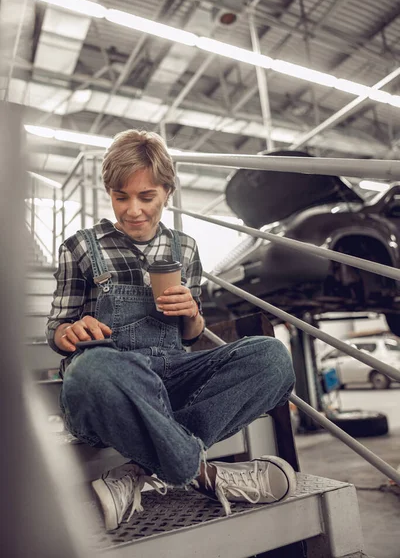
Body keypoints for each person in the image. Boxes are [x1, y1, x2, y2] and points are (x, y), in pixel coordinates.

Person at [46, 129, 296, 531]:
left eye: (146, 197)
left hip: (171, 377)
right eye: (120, 196)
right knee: (89, 371)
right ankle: (205, 474)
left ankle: (142, 469)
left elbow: (189, 335)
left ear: (167, 192)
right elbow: (57, 328)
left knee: (271, 356)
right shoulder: (80, 247)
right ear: (109, 192)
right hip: (114, 382)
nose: (132, 210)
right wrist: (71, 332)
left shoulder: (185, 248)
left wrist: (192, 312)